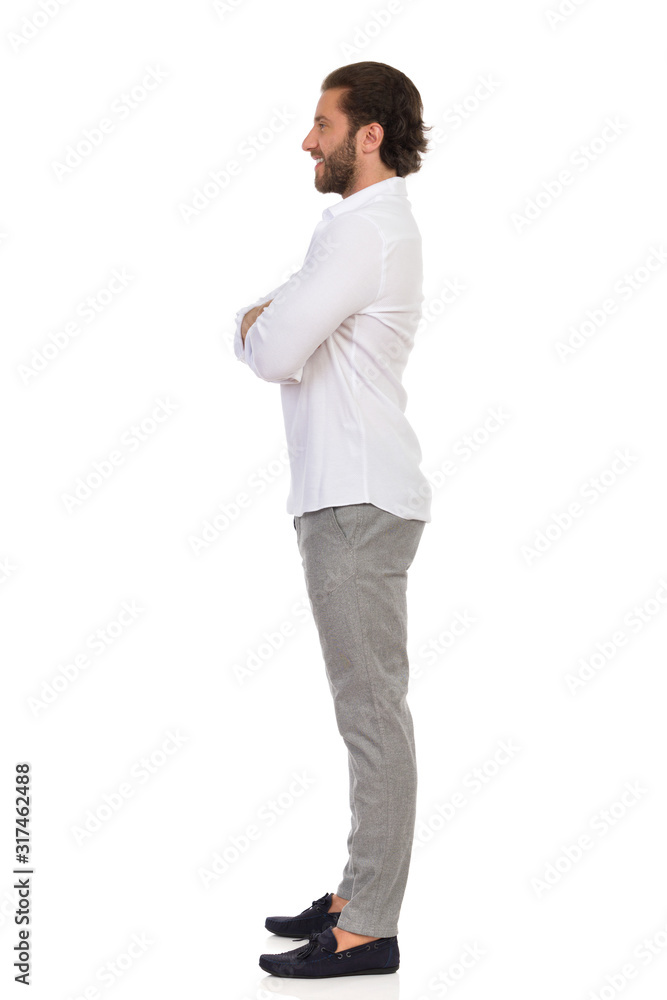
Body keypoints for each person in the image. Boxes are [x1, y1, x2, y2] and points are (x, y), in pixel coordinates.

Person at [233, 60, 432, 979]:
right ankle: (359, 893)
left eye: (321, 123)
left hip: (354, 501)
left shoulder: (361, 232)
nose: (306, 140)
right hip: (344, 496)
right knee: (364, 710)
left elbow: (272, 343)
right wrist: (270, 321)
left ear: (369, 135)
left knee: (370, 716)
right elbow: (281, 333)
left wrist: (258, 321)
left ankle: (368, 928)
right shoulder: (353, 228)